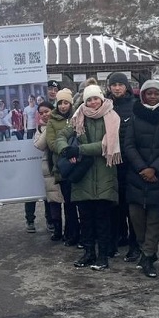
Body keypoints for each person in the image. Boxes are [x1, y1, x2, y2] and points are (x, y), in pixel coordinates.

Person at [56, 85, 122, 271]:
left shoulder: (112, 117)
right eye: (89, 99)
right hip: (83, 177)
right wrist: (65, 150)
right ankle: (88, 253)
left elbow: (105, 146)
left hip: (104, 176)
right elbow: (61, 136)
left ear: (101, 98)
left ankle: (103, 256)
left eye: (95, 98)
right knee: (85, 219)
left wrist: (79, 150)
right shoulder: (78, 116)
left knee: (103, 220)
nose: (93, 102)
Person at [122, 79, 159, 278]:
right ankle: (144, 248)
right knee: (136, 217)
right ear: (143, 95)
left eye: (156, 93)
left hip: (158, 176)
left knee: (154, 219)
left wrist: (154, 168)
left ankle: (148, 255)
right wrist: (142, 168)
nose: (153, 96)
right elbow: (129, 145)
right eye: (149, 93)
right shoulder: (135, 116)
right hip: (137, 175)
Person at [105, 72, 139, 262]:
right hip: (111, 163)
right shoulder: (105, 106)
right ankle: (118, 237)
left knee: (131, 206)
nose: (117, 88)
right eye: (114, 84)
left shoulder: (135, 106)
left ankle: (135, 244)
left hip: (130, 163)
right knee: (113, 205)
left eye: (120, 84)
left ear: (126, 86)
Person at [46, 88, 79, 245]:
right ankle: (72, 232)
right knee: (69, 203)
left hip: (78, 164)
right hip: (63, 166)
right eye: (60, 103)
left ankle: (80, 232)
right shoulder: (52, 121)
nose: (63, 106)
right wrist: (67, 151)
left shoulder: (77, 116)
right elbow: (52, 143)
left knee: (80, 203)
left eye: (66, 103)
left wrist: (77, 152)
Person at [33, 101, 63, 241]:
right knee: (53, 200)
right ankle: (57, 229)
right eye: (41, 113)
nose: (44, 115)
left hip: (64, 165)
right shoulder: (40, 128)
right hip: (49, 168)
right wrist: (49, 127)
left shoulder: (61, 122)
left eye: (47, 111)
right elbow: (39, 145)